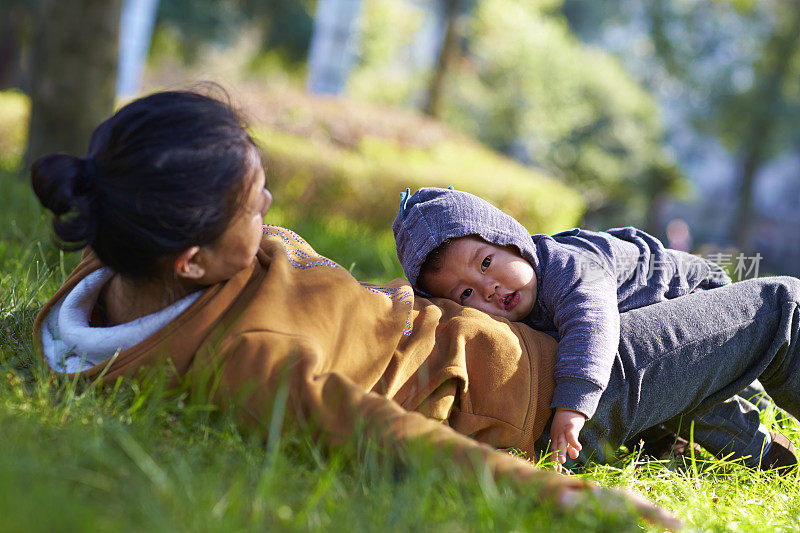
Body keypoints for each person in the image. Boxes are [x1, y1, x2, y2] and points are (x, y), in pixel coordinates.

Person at [28, 89, 678, 528]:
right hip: (539, 382)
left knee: (674, 285)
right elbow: (390, 437)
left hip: (522, 323)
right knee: (778, 307)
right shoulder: (250, 356)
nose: (271, 203)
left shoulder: (124, 243)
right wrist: (574, 498)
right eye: (253, 206)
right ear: (191, 259)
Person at [392, 186, 798, 471]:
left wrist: (573, 405)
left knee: (713, 370)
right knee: (689, 399)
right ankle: (766, 456)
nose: (489, 289)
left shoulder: (567, 266)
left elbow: (593, 323)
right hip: (630, 332)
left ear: (511, 239)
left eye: (486, 263)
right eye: (465, 294)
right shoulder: (517, 304)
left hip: (681, 292)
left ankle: (756, 406)